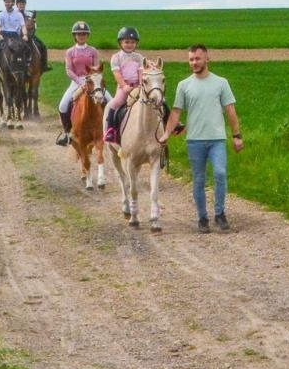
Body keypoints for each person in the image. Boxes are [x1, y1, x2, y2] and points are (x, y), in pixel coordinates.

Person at [159, 45, 242, 233]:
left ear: (207, 59)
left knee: (220, 173)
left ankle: (220, 214)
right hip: (195, 141)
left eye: (197, 58)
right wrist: (166, 134)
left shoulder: (221, 83)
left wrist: (236, 136)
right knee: (198, 179)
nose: (194, 63)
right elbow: (176, 112)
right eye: (191, 59)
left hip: (217, 140)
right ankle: (202, 217)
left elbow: (230, 110)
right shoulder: (184, 85)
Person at [55, 20, 100, 145]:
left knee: (110, 100)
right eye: (79, 34)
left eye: (84, 34)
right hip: (76, 81)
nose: (81, 36)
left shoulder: (93, 51)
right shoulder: (70, 52)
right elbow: (69, 69)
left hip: (92, 81)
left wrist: (91, 78)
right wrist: (79, 80)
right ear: (74, 36)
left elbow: (97, 67)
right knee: (63, 106)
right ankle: (67, 133)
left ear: (87, 36)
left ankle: (109, 131)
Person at [103, 26, 146, 145]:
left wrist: (141, 85)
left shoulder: (139, 57)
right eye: (126, 42)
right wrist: (124, 86)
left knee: (155, 100)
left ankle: (166, 123)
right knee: (115, 103)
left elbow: (141, 72)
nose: (129, 44)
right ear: (120, 43)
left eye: (132, 42)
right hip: (124, 87)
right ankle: (110, 130)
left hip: (138, 86)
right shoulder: (116, 57)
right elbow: (117, 74)